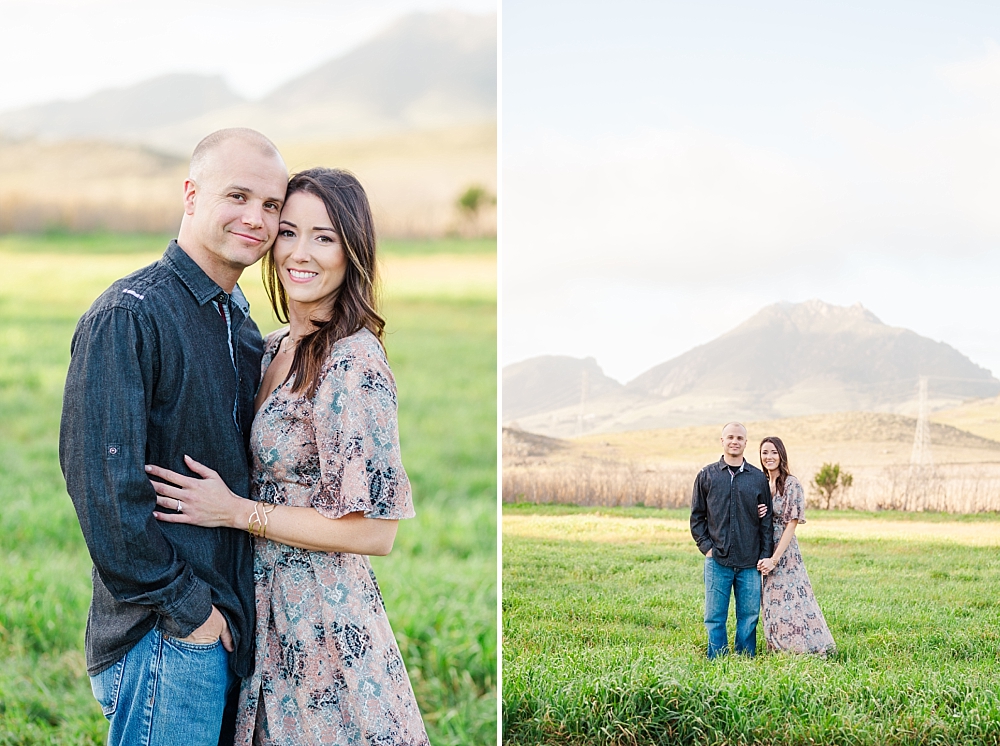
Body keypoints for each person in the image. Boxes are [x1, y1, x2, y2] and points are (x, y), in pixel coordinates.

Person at [144, 168, 430, 745]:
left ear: (352, 252)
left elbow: (376, 531)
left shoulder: (354, 360)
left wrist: (235, 511)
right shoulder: (271, 345)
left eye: (324, 237)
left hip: (324, 617)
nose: (301, 253)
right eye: (289, 232)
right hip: (266, 609)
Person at [59, 128, 289, 745]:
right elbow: (106, 494)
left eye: (271, 205)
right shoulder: (129, 314)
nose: (256, 218)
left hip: (224, 633)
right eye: (237, 195)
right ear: (191, 194)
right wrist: (193, 616)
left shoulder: (239, 325)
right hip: (165, 634)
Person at [690, 422, 774, 658]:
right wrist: (706, 548)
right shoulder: (707, 476)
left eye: (739, 438)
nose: (734, 441)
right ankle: (716, 658)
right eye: (730, 437)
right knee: (714, 615)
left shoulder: (758, 478)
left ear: (746, 443)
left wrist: (765, 554)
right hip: (717, 559)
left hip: (750, 561)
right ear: (722, 441)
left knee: (749, 616)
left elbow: (766, 521)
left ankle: (745, 658)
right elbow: (697, 517)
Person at [757, 436, 836, 655]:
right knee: (771, 598)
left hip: (784, 550)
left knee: (793, 598)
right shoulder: (761, 483)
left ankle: (804, 647)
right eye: (765, 452)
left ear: (781, 455)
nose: (769, 457)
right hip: (763, 545)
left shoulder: (791, 484)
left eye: (774, 452)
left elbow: (791, 525)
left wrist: (774, 559)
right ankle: (778, 647)